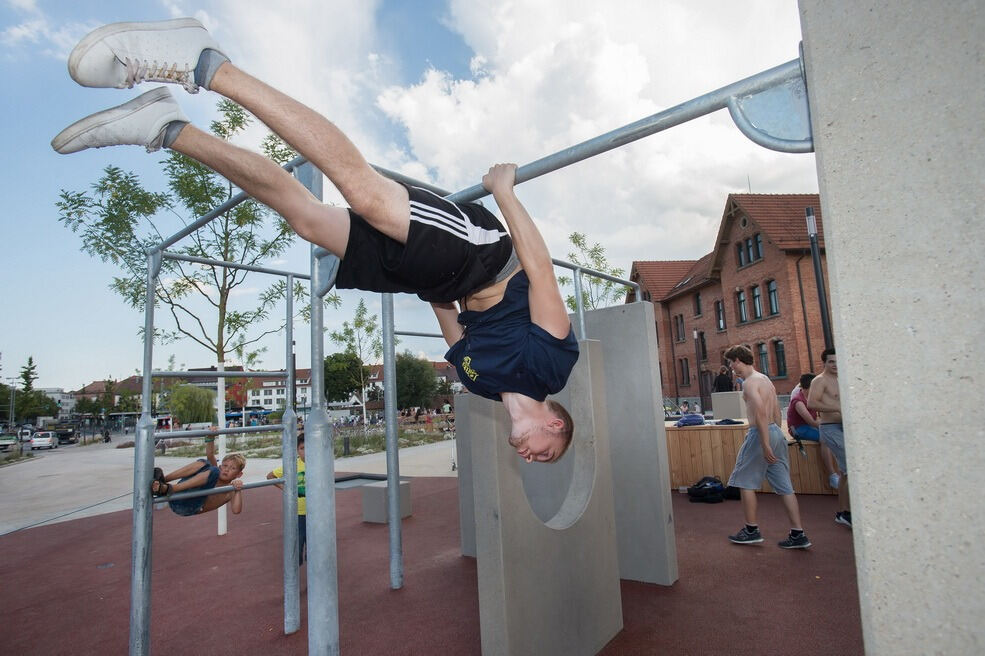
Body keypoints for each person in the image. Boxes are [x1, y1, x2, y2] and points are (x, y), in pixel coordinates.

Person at [53, 18, 577, 465]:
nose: (531, 459)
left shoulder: (481, 385)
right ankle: (207, 64)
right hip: (487, 256)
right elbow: (541, 273)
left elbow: (449, 320)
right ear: (554, 424)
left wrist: (418, 274)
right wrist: (505, 193)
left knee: (307, 220)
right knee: (367, 196)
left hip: (440, 279)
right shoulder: (550, 370)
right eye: (546, 454)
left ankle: (168, 128)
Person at [723, 345, 811, 549]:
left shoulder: (749, 383)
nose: (731, 367)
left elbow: (760, 412)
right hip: (776, 432)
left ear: (738, 360)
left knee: (745, 482)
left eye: (731, 363)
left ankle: (751, 530)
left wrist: (764, 443)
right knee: (785, 486)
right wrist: (777, 436)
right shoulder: (765, 379)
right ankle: (798, 533)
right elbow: (776, 410)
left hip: (760, 434)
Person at [151, 429, 246, 516]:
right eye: (225, 466)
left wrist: (238, 490)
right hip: (177, 495)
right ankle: (163, 480)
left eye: (233, 468)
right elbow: (210, 454)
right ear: (220, 466)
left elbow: (236, 510)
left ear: (239, 474)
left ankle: (170, 488)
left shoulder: (230, 489)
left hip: (188, 507)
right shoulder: (215, 472)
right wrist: (211, 437)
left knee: (214, 470)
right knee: (205, 463)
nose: (226, 470)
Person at [807, 347, 852, 528]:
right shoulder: (820, 380)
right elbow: (811, 403)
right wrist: (837, 408)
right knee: (851, 468)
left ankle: (844, 511)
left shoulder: (843, 378)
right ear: (824, 363)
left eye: (837, 361)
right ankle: (846, 512)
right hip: (830, 427)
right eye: (831, 361)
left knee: (847, 471)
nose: (835, 365)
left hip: (847, 427)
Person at [786, 373, 840, 489]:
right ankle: (832, 475)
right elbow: (811, 422)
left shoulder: (812, 398)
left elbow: (820, 417)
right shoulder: (798, 401)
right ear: (808, 387)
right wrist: (827, 424)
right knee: (825, 438)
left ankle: (841, 471)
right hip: (798, 429)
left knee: (832, 433)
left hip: (810, 425)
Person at [266, 433, 307, 565]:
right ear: (297, 450)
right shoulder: (293, 465)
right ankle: (294, 571)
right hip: (298, 513)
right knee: (297, 543)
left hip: (316, 513)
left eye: (309, 447)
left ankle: (314, 574)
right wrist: (286, 489)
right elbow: (270, 476)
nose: (306, 451)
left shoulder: (319, 465)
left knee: (315, 547)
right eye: (302, 448)